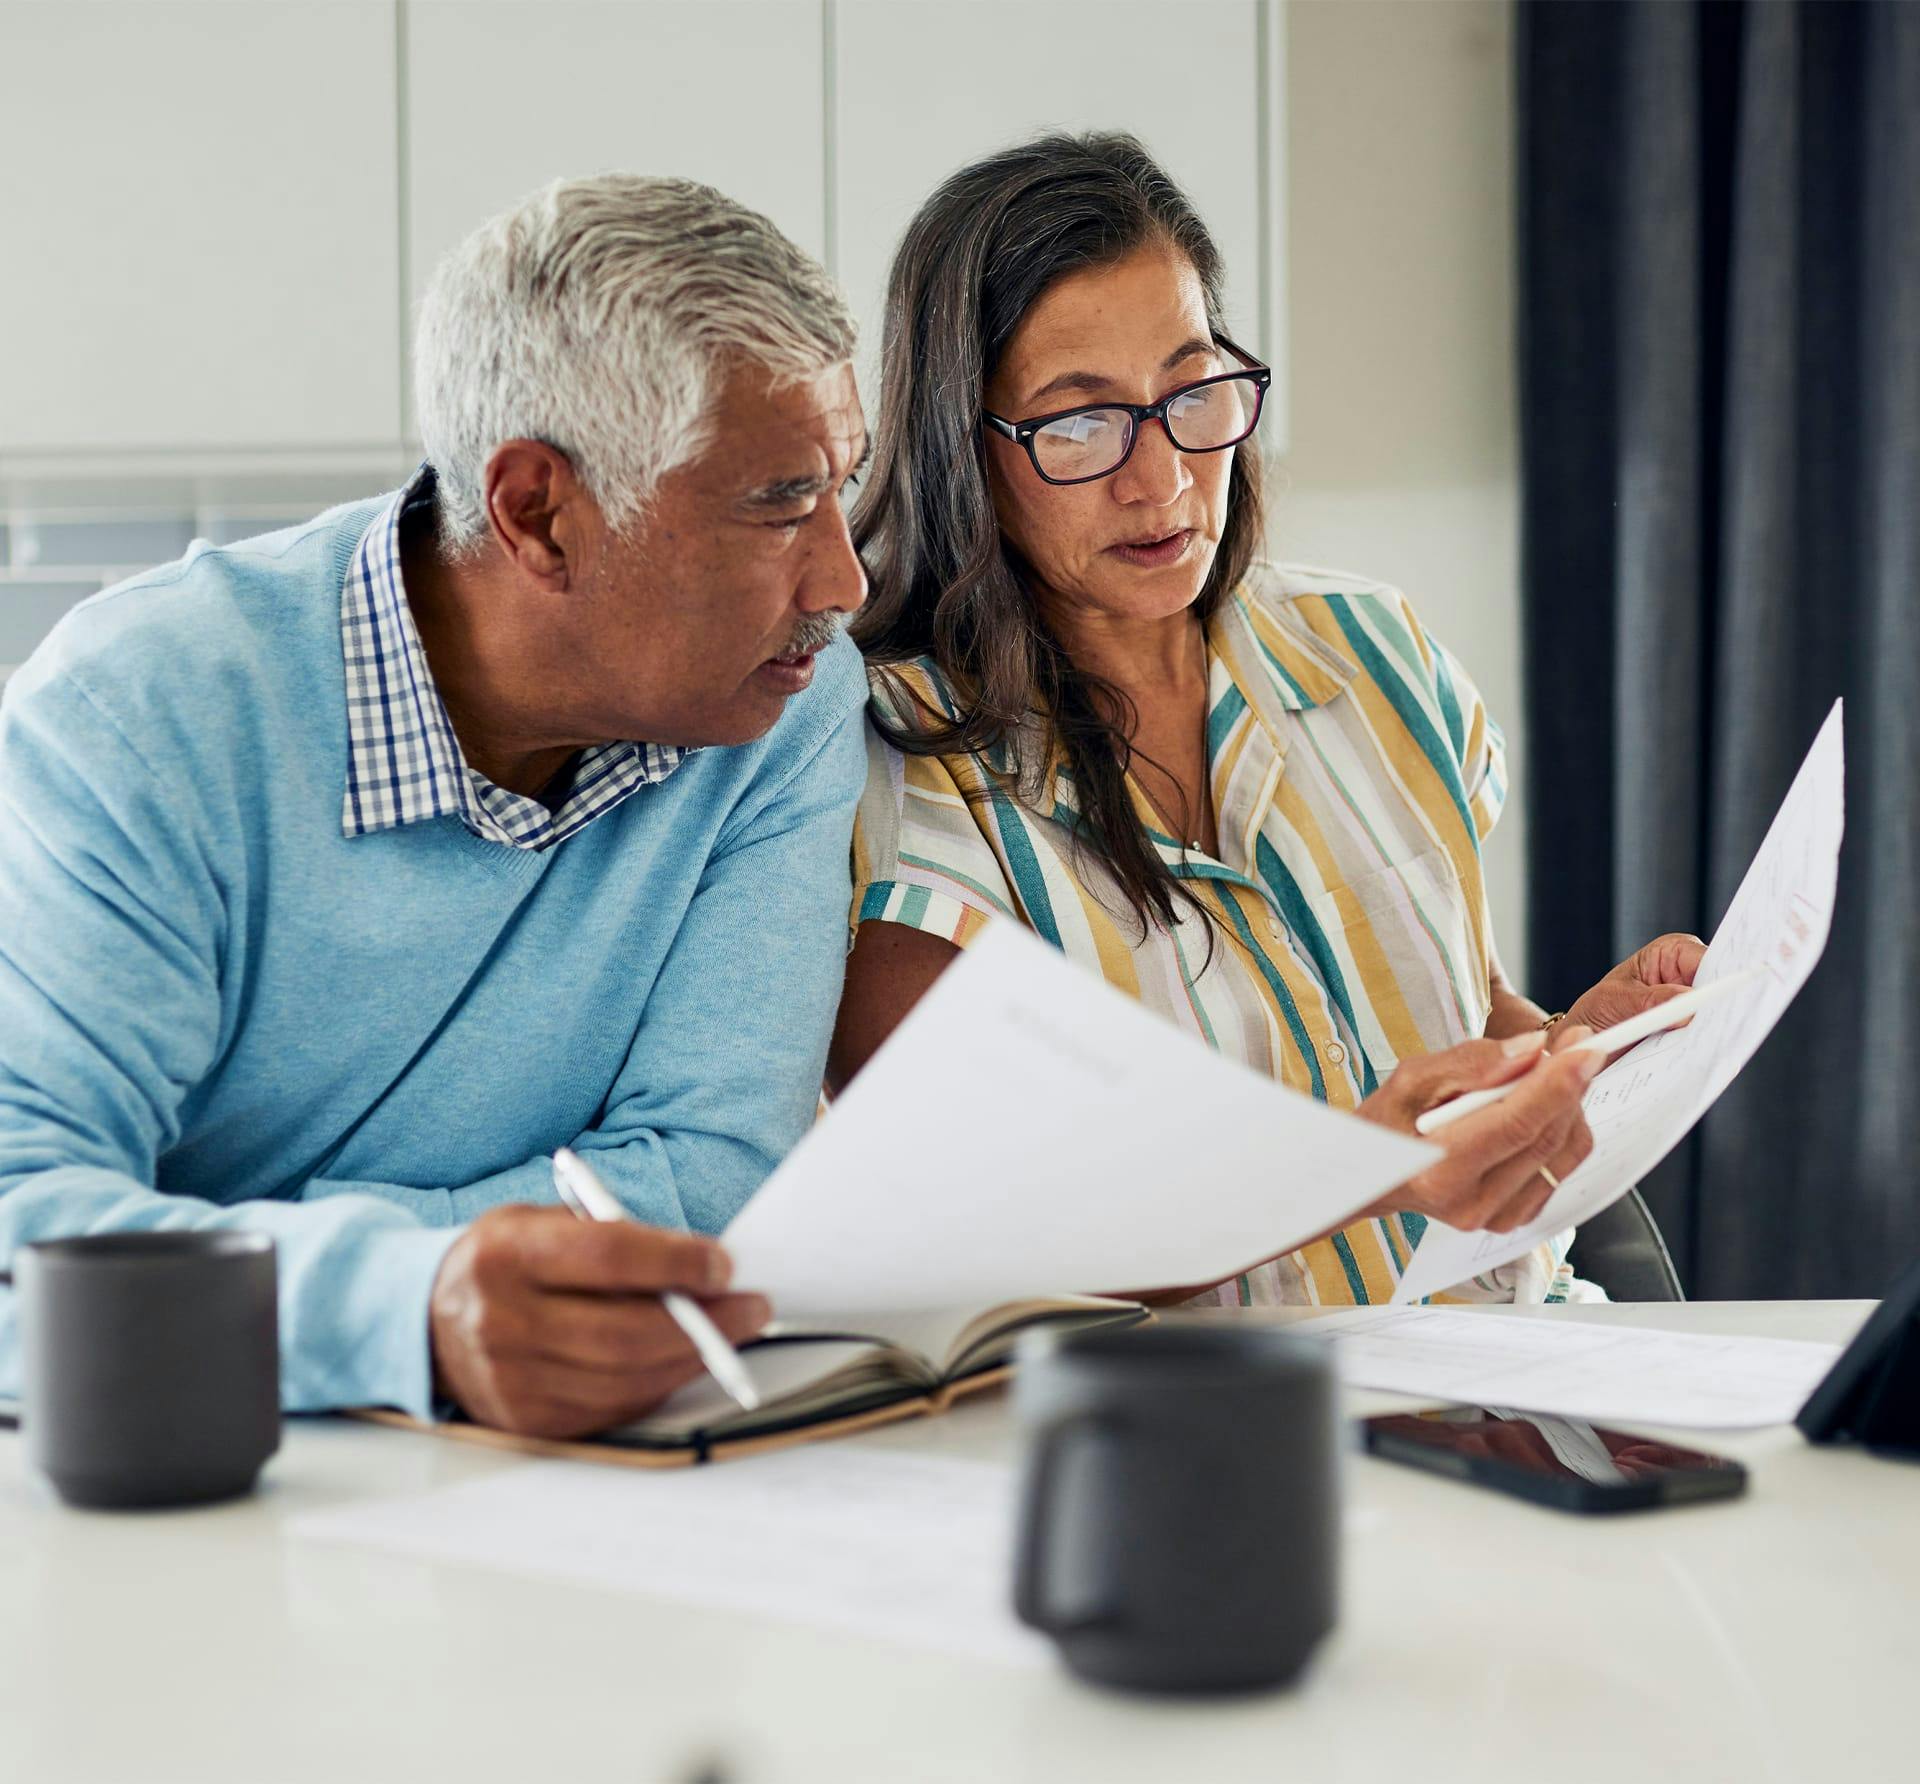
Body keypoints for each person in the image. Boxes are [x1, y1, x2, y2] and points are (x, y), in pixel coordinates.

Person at [0, 175, 870, 1436]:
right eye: (780, 502)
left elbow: (706, 1182)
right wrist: (406, 1306)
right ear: (539, 514)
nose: (841, 579)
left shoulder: (782, 703)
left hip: (535, 1473)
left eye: (842, 486)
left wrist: (249, 1269)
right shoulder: (142, 714)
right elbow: (24, 1230)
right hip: (177, 1475)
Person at [830, 134, 1704, 1305]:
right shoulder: (886, 776)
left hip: (1528, 1378)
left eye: (1192, 393)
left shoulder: (1373, 649)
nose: (1163, 480)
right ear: (964, 447)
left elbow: (1456, 999)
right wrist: (1365, 1171)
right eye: (1079, 425)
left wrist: (1568, 1049)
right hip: (1208, 1442)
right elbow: (994, 1226)